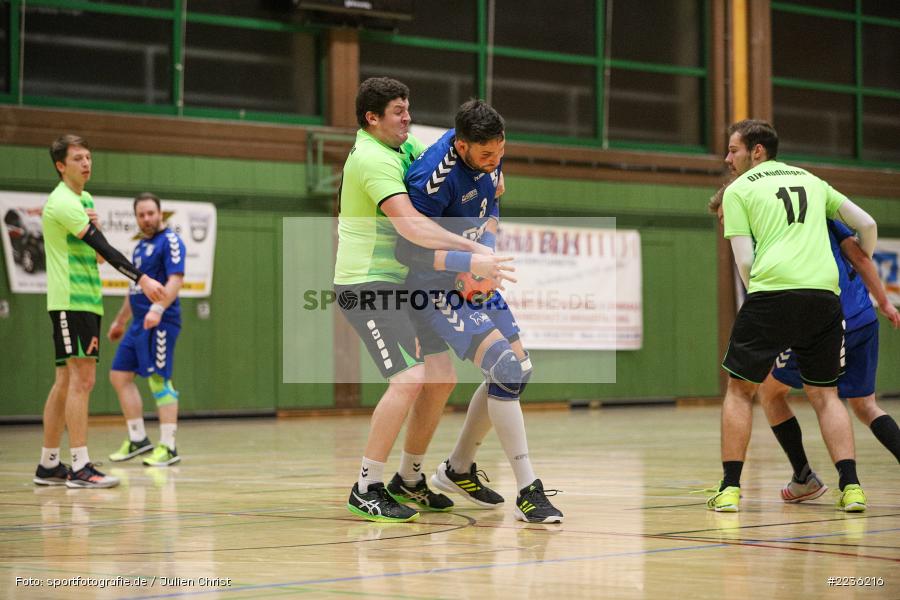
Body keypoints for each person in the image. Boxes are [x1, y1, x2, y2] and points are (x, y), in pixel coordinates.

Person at [334, 78, 509, 522]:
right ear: (372, 118)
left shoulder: (404, 149)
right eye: (398, 111)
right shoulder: (372, 159)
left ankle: (409, 480)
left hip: (404, 283)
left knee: (441, 378)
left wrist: (490, 168)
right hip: (367, 284)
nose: (407, 117)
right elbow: (411, 227)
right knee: (409, 379)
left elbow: (453, 151)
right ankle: (365, 485)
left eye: (408, 108)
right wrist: (476, 252)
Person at [395, 99, 564, 523]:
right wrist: (467, 264)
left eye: (500, 151)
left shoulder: (490, 164)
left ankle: (458, 468)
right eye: (486, 154)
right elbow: (409, 252)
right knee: (504, 368)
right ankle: (529, 490)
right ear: (462, 145)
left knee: (517, 370)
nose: (495, 161)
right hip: (435, 288)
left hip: (473, 278)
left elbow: (490, 215)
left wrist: (486, 252)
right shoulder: (432, 180)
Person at [710, 119, 878, 513]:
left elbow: (745, 261)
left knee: (739, 389)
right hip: (823, 296)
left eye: (733, 150)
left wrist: (762, 299)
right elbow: (866, 223)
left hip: (771, 293)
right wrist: (859, 263)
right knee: (826, 395)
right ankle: (851, 487)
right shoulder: (811, 180)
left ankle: (730, 488)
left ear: (757, 151)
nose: (727, 158)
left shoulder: (739, 191)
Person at [33, 135, 165, 489]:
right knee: (83, 380)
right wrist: (143, 278)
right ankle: (79, 466)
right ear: (61, 166)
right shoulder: (62, 202)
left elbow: (99, 256)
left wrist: (96, 225)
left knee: (66, 381)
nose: (86, 163)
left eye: (89, 157)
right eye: (78, 158)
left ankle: (48, 464)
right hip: (70, 301)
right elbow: (103, 247)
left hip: (87, 299)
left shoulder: (84, 200)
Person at [107, 193, 187, 467]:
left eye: (151, 213)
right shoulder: (140, 247)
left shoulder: (171, 241)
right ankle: (138, 439)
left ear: (160, 213)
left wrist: (158, 309)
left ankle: (169, 446)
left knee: (159, 382)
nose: (147, 219)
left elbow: (176, 279)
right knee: (119, 375)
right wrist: (120, 321)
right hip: (138, 324)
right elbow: (135, 288)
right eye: (141, 215)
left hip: (161, 321)